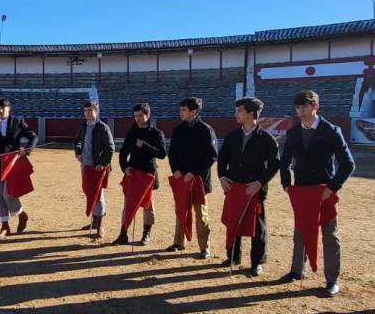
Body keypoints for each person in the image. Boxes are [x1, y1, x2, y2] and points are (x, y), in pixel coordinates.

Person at [279, 90, 355, 297]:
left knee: (330, 235)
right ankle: (297, 270)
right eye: (298, 107)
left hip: (324, 191)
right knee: (300, 232)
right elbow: (284, 161)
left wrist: (332, 188)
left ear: (315, 107)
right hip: (302, 191)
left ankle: (332, 280)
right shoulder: (294, 132)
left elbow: (348, 164)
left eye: (304, 107)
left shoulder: (331, 131)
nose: (300, 111)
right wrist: (286, 183)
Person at [217, 97, 280, 277]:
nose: (237, 114)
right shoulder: (232, 136)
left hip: (254, 188)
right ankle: (233, 256)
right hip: (234, 185)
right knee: (233, 222)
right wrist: (222, 176)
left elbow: (275, 164)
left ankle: (257, 262)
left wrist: (260, 182)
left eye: (240, 111)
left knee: (258, 227)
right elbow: (222, 159)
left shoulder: (267, 139)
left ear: (251, 113)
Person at [166, 97, 218, 257]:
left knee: (200, 213)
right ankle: (178, 242)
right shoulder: (178, 130)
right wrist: (176, 170)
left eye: (184, 110)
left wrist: (193, 172)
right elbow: (172, 153)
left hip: (199, 180)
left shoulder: (206, 130)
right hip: (181, 178)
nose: (180, 112)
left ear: (194, 111)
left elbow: (212, 156)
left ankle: (204, 247)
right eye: (180, 109)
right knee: (181, 209)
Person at [0, 98, 38, 237]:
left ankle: (21, 214)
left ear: (9, 108)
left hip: (13, 162)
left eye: (3, 108)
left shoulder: (18, 121)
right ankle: (5, 226)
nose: (0, 111)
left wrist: (26, 150)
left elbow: (33, 136)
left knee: (7, 194)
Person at [113, 103, 166, 245]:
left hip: (148, 174)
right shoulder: (132, 132)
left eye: (141, 115)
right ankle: (123, 233)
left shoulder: (156, 133)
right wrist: (125, 167)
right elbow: (123, 152)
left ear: (147, 115)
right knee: (128, 204)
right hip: (133, 173)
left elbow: (162, 154)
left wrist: (145, 145)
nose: (138, 118)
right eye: (135, 116)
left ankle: (146, 233)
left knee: (148, 206)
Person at [74, 100, 114, 240]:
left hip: (98, 167)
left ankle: (100, 225)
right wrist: (78, 153)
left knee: (98, 194)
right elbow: (77, 141)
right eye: (86, 111)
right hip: (85, 165)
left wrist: (102, 164)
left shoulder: (103, 128)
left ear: (96, 111)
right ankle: (95, 221)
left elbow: (110, 148)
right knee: (89, 191)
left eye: (91, 110)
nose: (88, 113)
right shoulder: (83, 126)